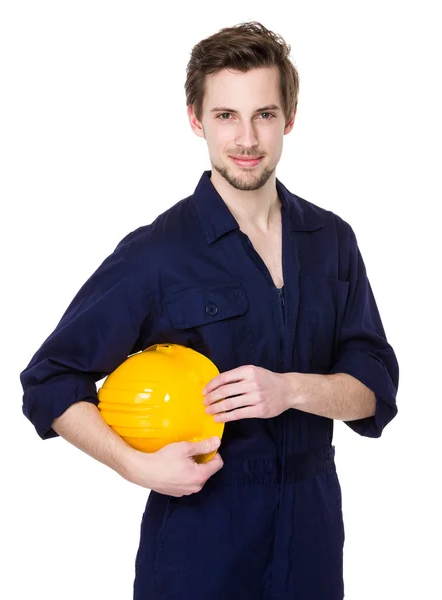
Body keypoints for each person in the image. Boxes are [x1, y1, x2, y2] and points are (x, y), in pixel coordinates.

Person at [20, 20, 399, 600]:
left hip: (312, 540)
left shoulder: (332, 241)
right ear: (196, 120)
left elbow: (376, 387)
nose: (246, 138)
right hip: (201, 545)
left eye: (264, 115)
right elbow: (49, 380)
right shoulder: (158, 252)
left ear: (288, 119)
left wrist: (292, 390)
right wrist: (136, 467)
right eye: (226, 116)